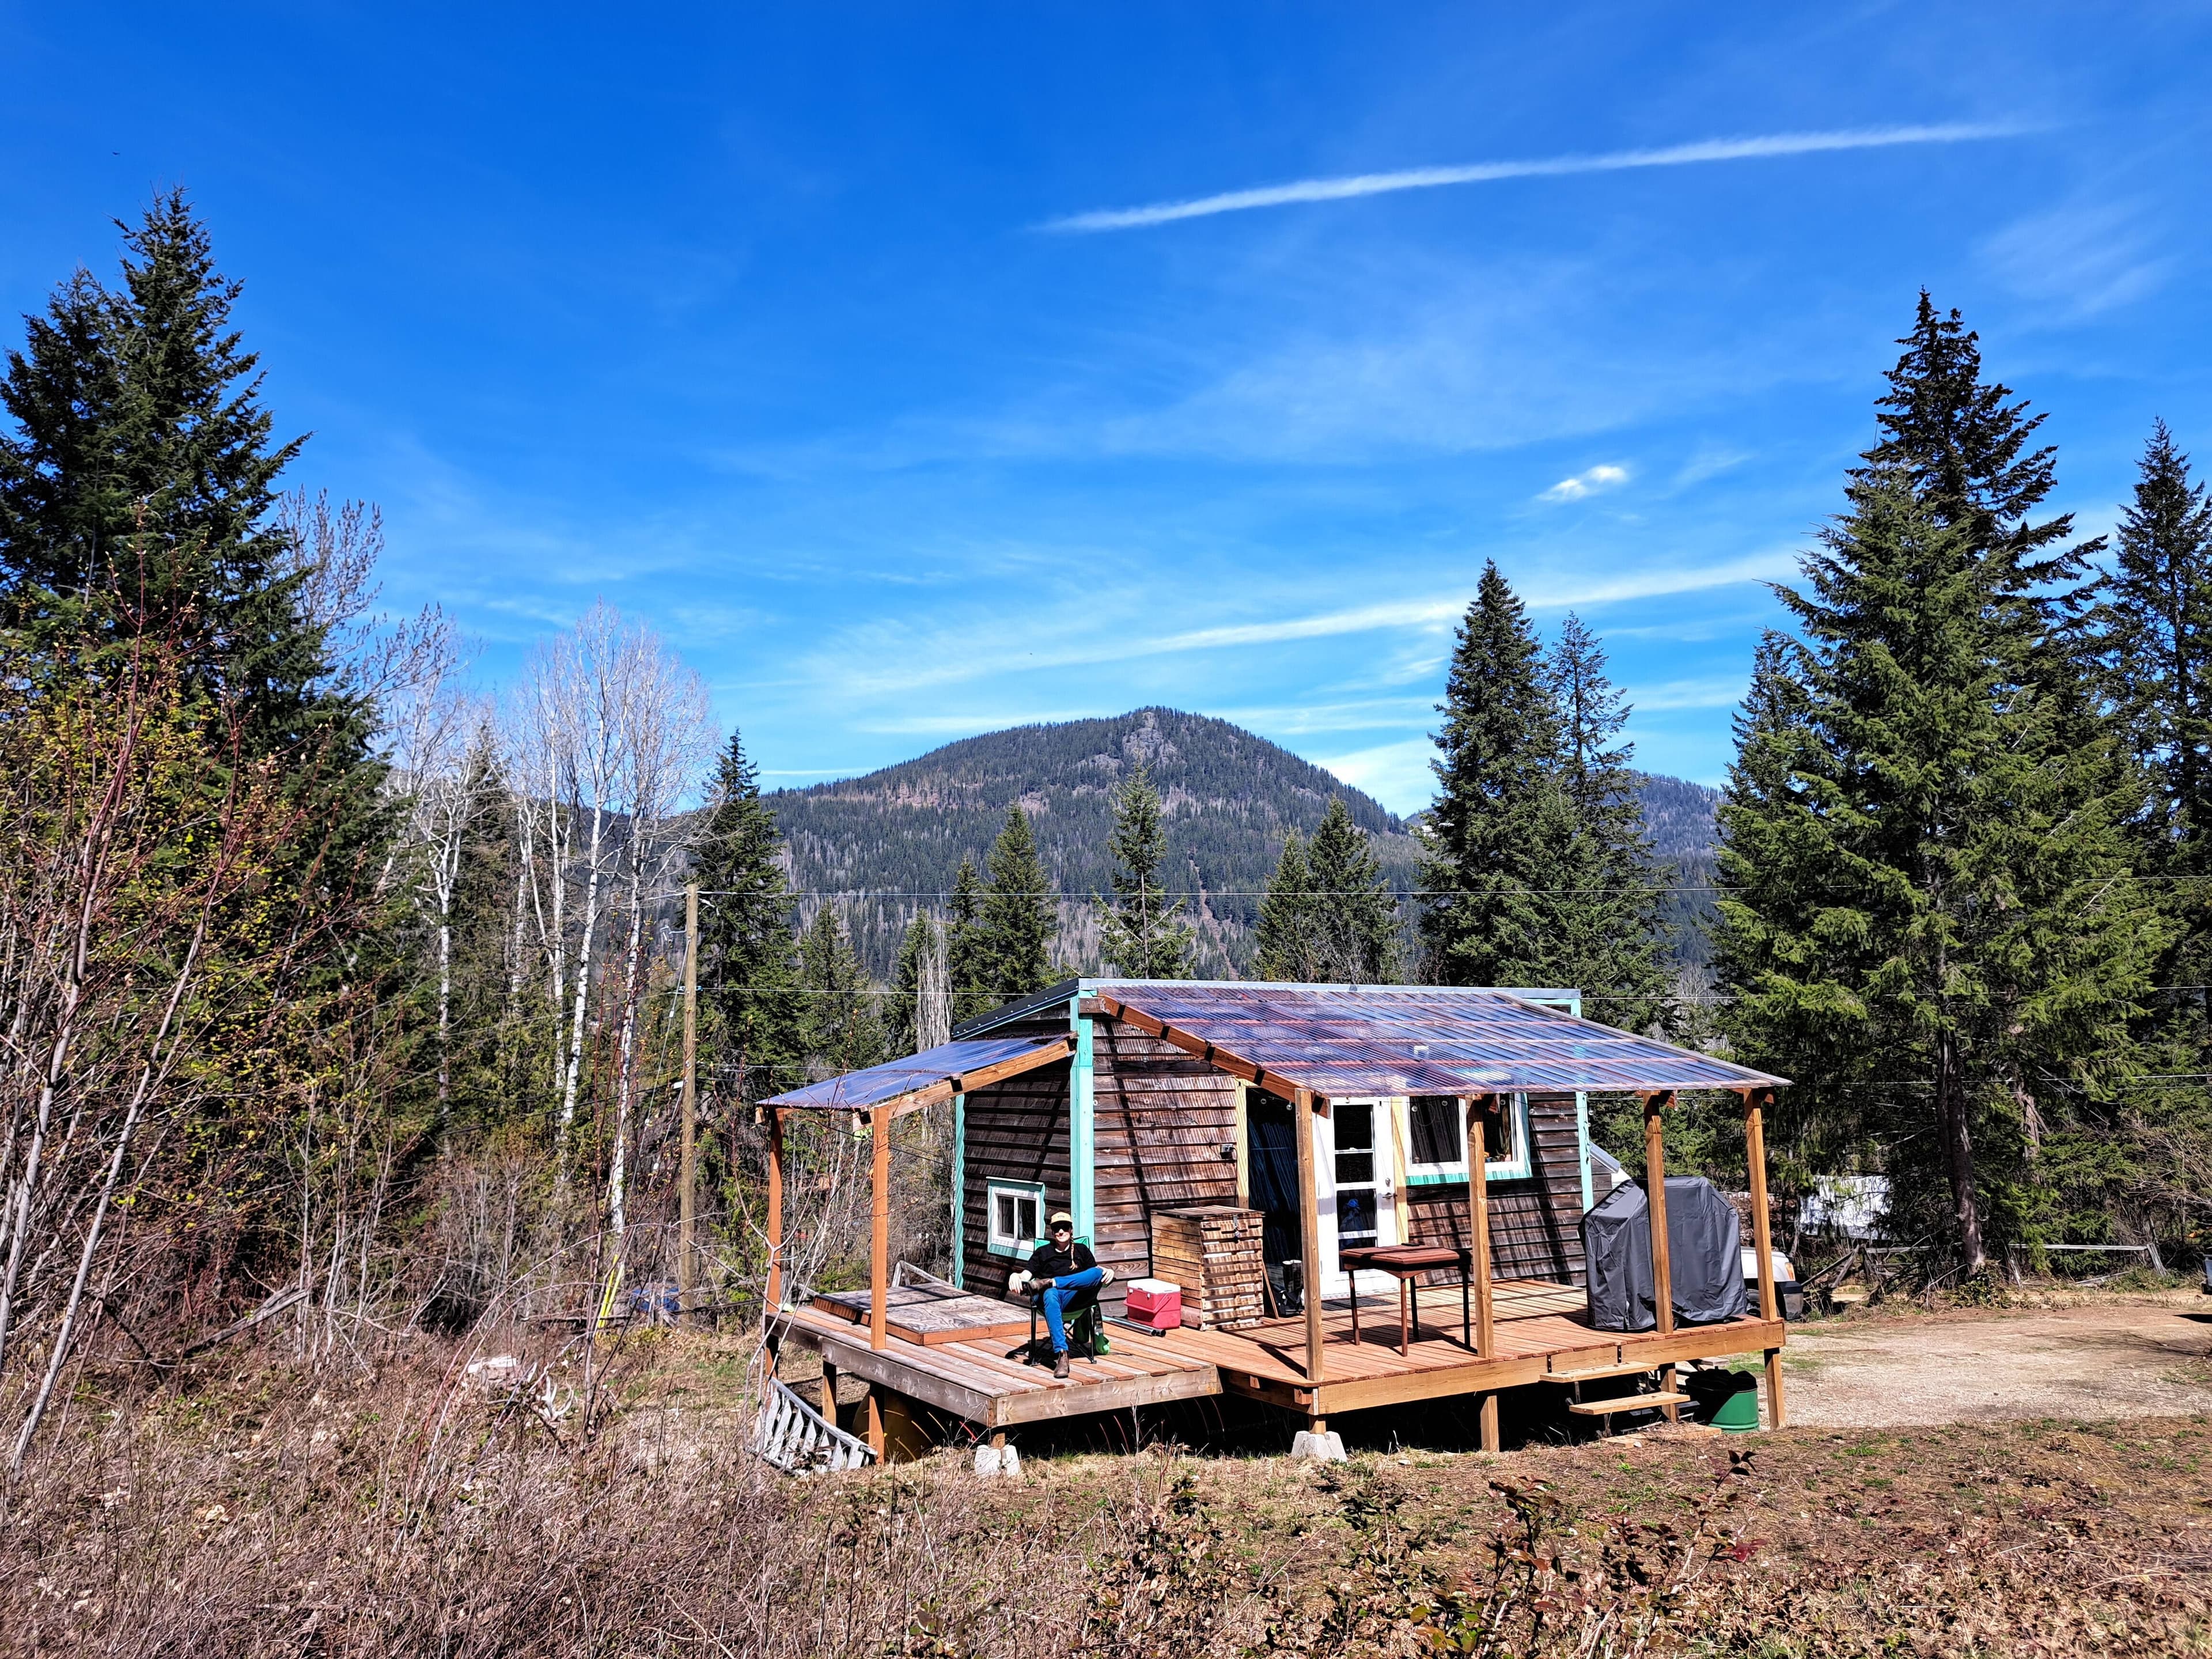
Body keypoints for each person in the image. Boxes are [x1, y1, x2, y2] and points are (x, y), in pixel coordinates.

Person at [1008, 1211, 1109, 1378]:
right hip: (1052, 1301)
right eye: (1056, 1228)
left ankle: (1052, 1281)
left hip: (1077, 1299)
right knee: (1049, 1294)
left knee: (1097, 1273)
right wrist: (1015, 1276)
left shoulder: (1082, 1251)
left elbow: (1095, 1274)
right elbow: (1026, 1276)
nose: (1061, 1231)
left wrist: (1109, 1272)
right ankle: (1062, 1354)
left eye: (1064, 1228)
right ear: (1052, 1231)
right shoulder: (1043, 1252)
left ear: (1071, 1230)